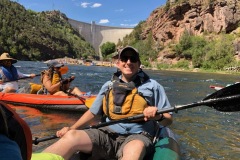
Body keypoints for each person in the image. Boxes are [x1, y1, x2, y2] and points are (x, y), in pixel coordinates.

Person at [42, 46, 173, 160]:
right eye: (124, 59)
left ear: (139, 64)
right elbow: (93, 113)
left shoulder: (153, 86)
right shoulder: (108, 86)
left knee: (135, 149)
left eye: (133, 59)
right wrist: (71, 129)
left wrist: (158, 116)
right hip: (107, 133)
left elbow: (168, 120)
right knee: (71, 137)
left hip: (138, 136)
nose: (128, 62)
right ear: (118, 63)